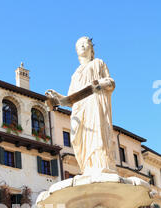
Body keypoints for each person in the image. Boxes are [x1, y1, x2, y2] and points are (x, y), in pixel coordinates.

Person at [45, 36, 116, 175]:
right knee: (78, 139)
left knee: (97, 133)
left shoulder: (98, 63)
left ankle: (100, 164)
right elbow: (69, 100)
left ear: (91, 47)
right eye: (79, 45)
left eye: (85, 43)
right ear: (76, 51)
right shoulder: (75, 74)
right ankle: (87, 166)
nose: (82, 45)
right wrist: (57, 97)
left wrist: (100, 84)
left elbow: (111, 83)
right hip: (79, 109)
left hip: (95, 104)